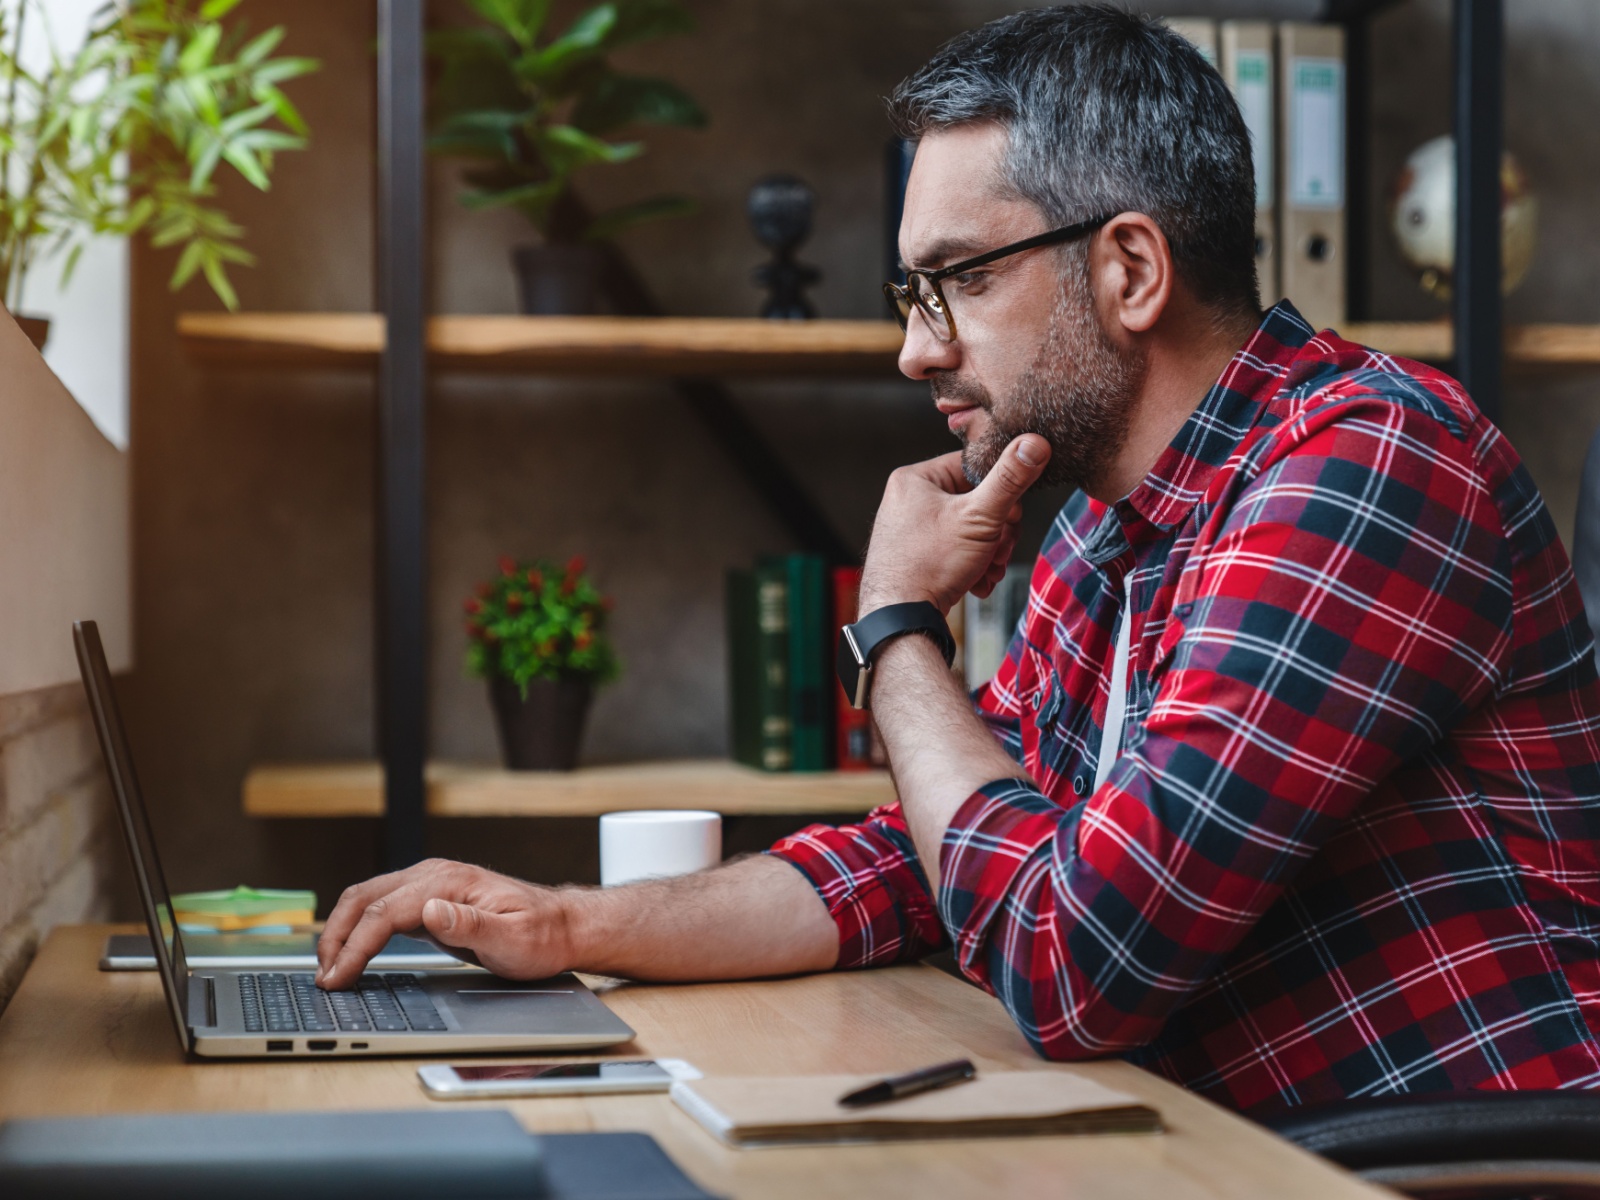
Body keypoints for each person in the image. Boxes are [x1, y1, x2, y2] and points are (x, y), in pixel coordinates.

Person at [315, 6, 1600, 1114]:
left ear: (1131, 269)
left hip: (1440, 1166)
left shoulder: (1368, 468)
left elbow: (1073, 963)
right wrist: (568, 926)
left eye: (955, 281)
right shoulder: (1102, 518)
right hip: (1214, 1148)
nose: (916, 351)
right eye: (909, 295)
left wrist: (895, 632)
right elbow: (934, 868)